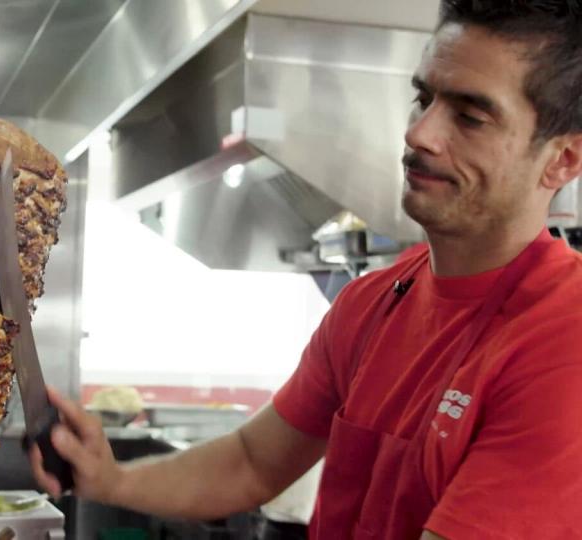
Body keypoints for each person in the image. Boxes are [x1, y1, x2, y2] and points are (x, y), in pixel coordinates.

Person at [29, 1, 582, 538]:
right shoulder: (372, 302)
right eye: (423, 97)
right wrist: (111, 480)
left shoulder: (562, 339)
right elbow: (251, 462)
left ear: (563, 159)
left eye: (469, 116)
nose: (420, 133)